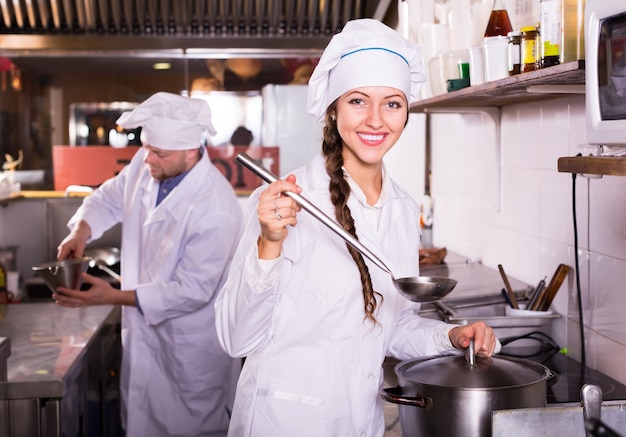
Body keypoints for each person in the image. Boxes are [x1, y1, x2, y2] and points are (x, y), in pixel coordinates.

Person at [214, 19, 500, 437]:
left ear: (406, 112)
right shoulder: (288, 200)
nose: (376, 120)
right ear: (333, 108)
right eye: (358, 101)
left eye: (392, 103)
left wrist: (451, 336)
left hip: (360, 422)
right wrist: (269, 244)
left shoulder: (402, 208)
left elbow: (392, 324)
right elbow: (235, 338)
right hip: (285, 422)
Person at [55, 92, 244, 436]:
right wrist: (81, 232)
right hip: (145, 342)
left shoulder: (216, 205)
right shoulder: (146, 167)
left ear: (191, 151)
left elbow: (192, 291)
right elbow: (107, 198)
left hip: (190, 350)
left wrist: (112, 296)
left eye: (159, 153)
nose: (148, 159)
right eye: (145, 148)